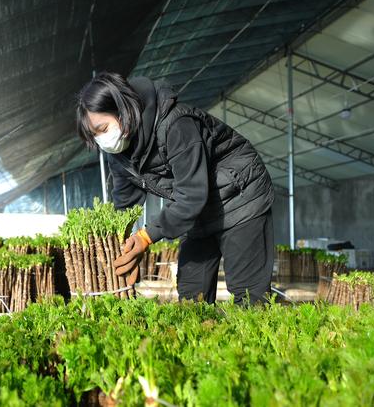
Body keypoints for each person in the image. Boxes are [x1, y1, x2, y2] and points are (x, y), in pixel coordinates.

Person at [75, 72, 275, 304]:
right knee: (192, 294)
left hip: (240, 197)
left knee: (249, 294)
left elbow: (191, 195)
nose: (102, 140)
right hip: (200, 213)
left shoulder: (176, 125)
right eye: (94, 135)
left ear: (123, 110)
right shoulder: (119, 154)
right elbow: (124, 203)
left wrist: (146, 236)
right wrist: (124, 245)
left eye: (103, 128)